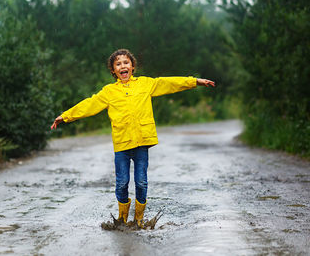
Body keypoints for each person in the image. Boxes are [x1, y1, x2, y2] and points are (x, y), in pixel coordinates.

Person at [51, 49, 215, 228]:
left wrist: (194, 81)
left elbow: (169, 83)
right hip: (121, 144)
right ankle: (122, 219)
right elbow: (89, 104)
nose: (123, 66)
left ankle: (138, 219)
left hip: (141, 143)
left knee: (142, 182)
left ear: (133, 66)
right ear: (113, 70)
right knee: (122, 183)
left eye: (126, 62)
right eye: (118, 64)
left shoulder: (145, 84)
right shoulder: (109, 92)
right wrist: (65, 116)